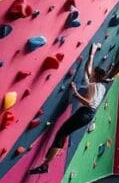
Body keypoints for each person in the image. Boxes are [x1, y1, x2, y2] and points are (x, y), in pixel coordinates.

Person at [29, 43, 109, 175]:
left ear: (96, 76)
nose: (91, 72)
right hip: (87, 114)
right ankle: (48, 161)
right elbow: (88, 68)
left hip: (85, 112)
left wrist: (76, 93)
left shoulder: (94, 86)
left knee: (61, 133)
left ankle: (45, 165)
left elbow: (89, 103)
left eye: (93, 73)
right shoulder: (100, 86)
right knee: (63, 133)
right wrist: (93, 52)